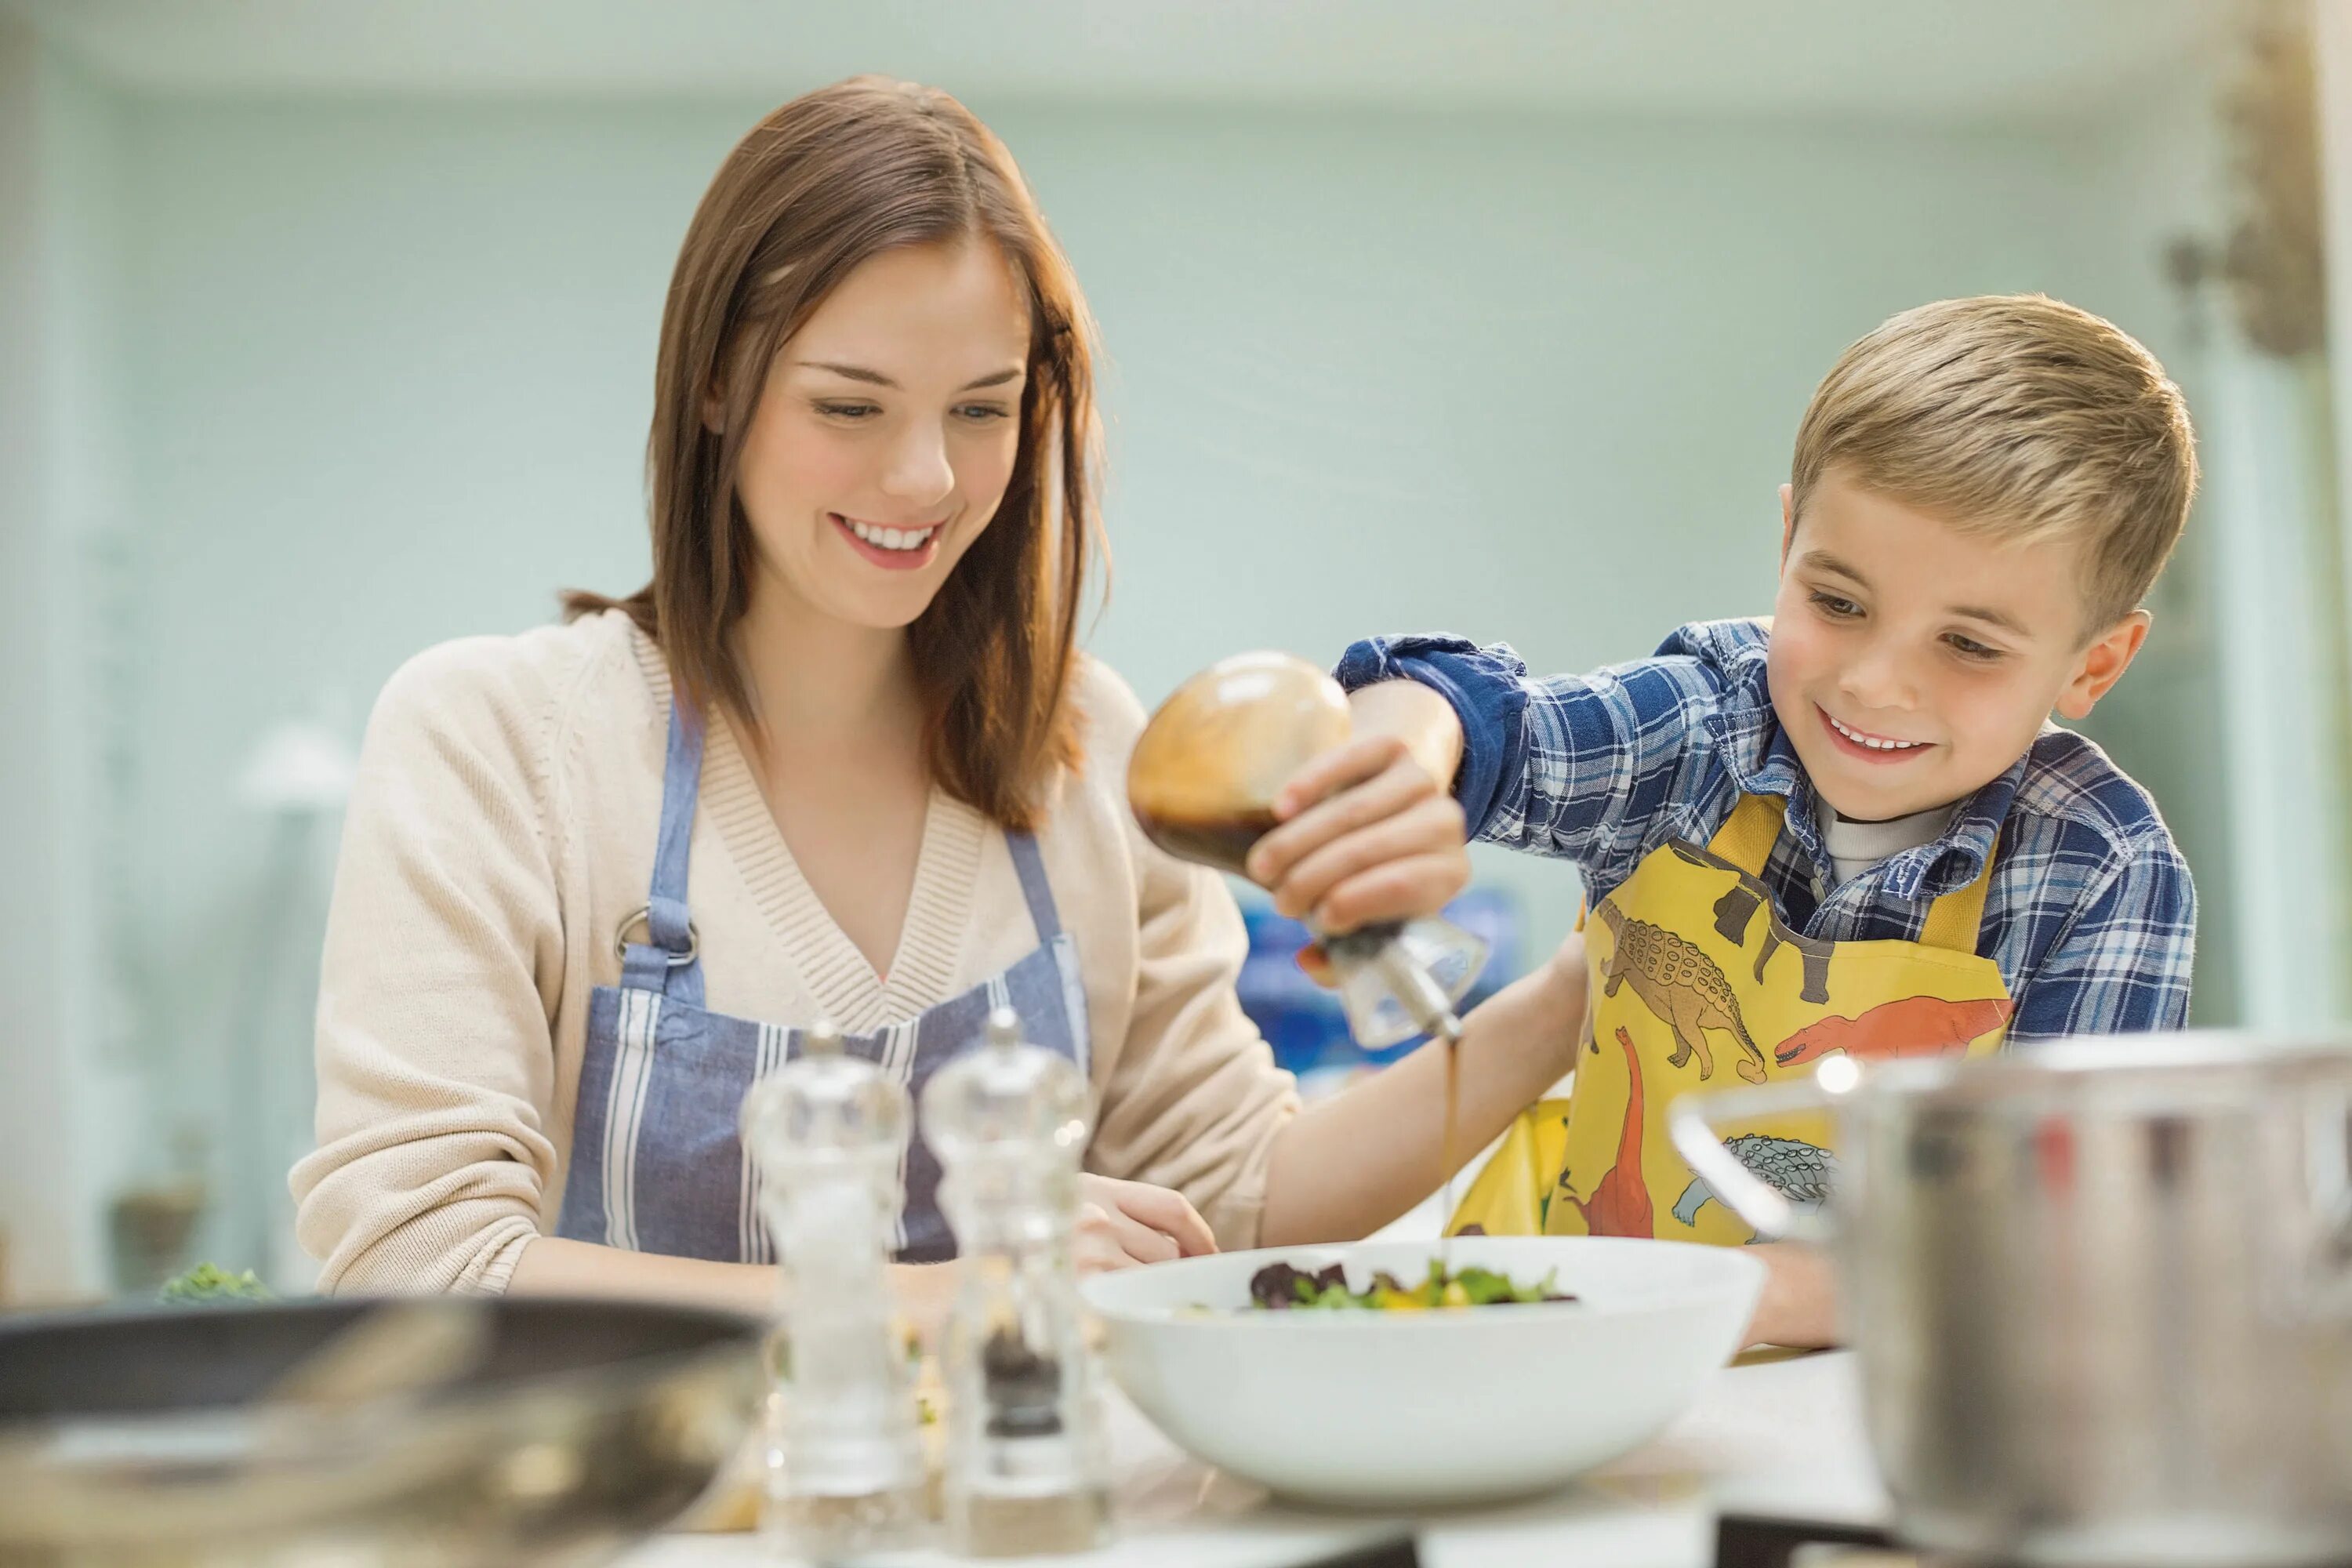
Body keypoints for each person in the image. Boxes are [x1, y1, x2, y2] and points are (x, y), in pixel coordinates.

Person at [292, 77, 1581, 1323]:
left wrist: (1592, 982)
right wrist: (954, 1296)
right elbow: (422, 1261)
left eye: (983, 409)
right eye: (850, 405)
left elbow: (1235, 1202)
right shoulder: (499, 742)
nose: (922, 478)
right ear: (715, 387)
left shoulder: (1086, 758)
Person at [1258, 295, 2199, 1347]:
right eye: (1838, 603)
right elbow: (1474, 713)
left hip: (1890, 1410)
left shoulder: (2101, 868)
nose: (1875, 686)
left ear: (2095, 662)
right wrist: (1398, 768)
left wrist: (1730, 1301)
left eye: (1969, 646)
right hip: (1562, 1356)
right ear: (1789, 536)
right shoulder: (1708, 729)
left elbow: (2055, 1234)